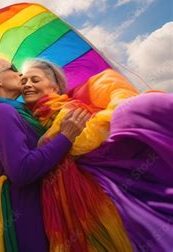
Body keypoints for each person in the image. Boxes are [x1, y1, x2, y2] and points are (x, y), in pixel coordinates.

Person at [21, 58, 173, 251]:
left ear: (56, 85)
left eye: (35, 80)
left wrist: (58, 143)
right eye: (23, 81)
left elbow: (90, 137)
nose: (27, 85)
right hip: (64, 207)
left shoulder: (71, 106)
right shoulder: (29, 121)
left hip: (101, 190)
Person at [0, 52, 90, 251]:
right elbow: (21, 170)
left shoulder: (15, 111)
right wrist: (65, 137)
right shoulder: (0, 112)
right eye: (13, 69)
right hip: (29, 210)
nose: (21, 76)